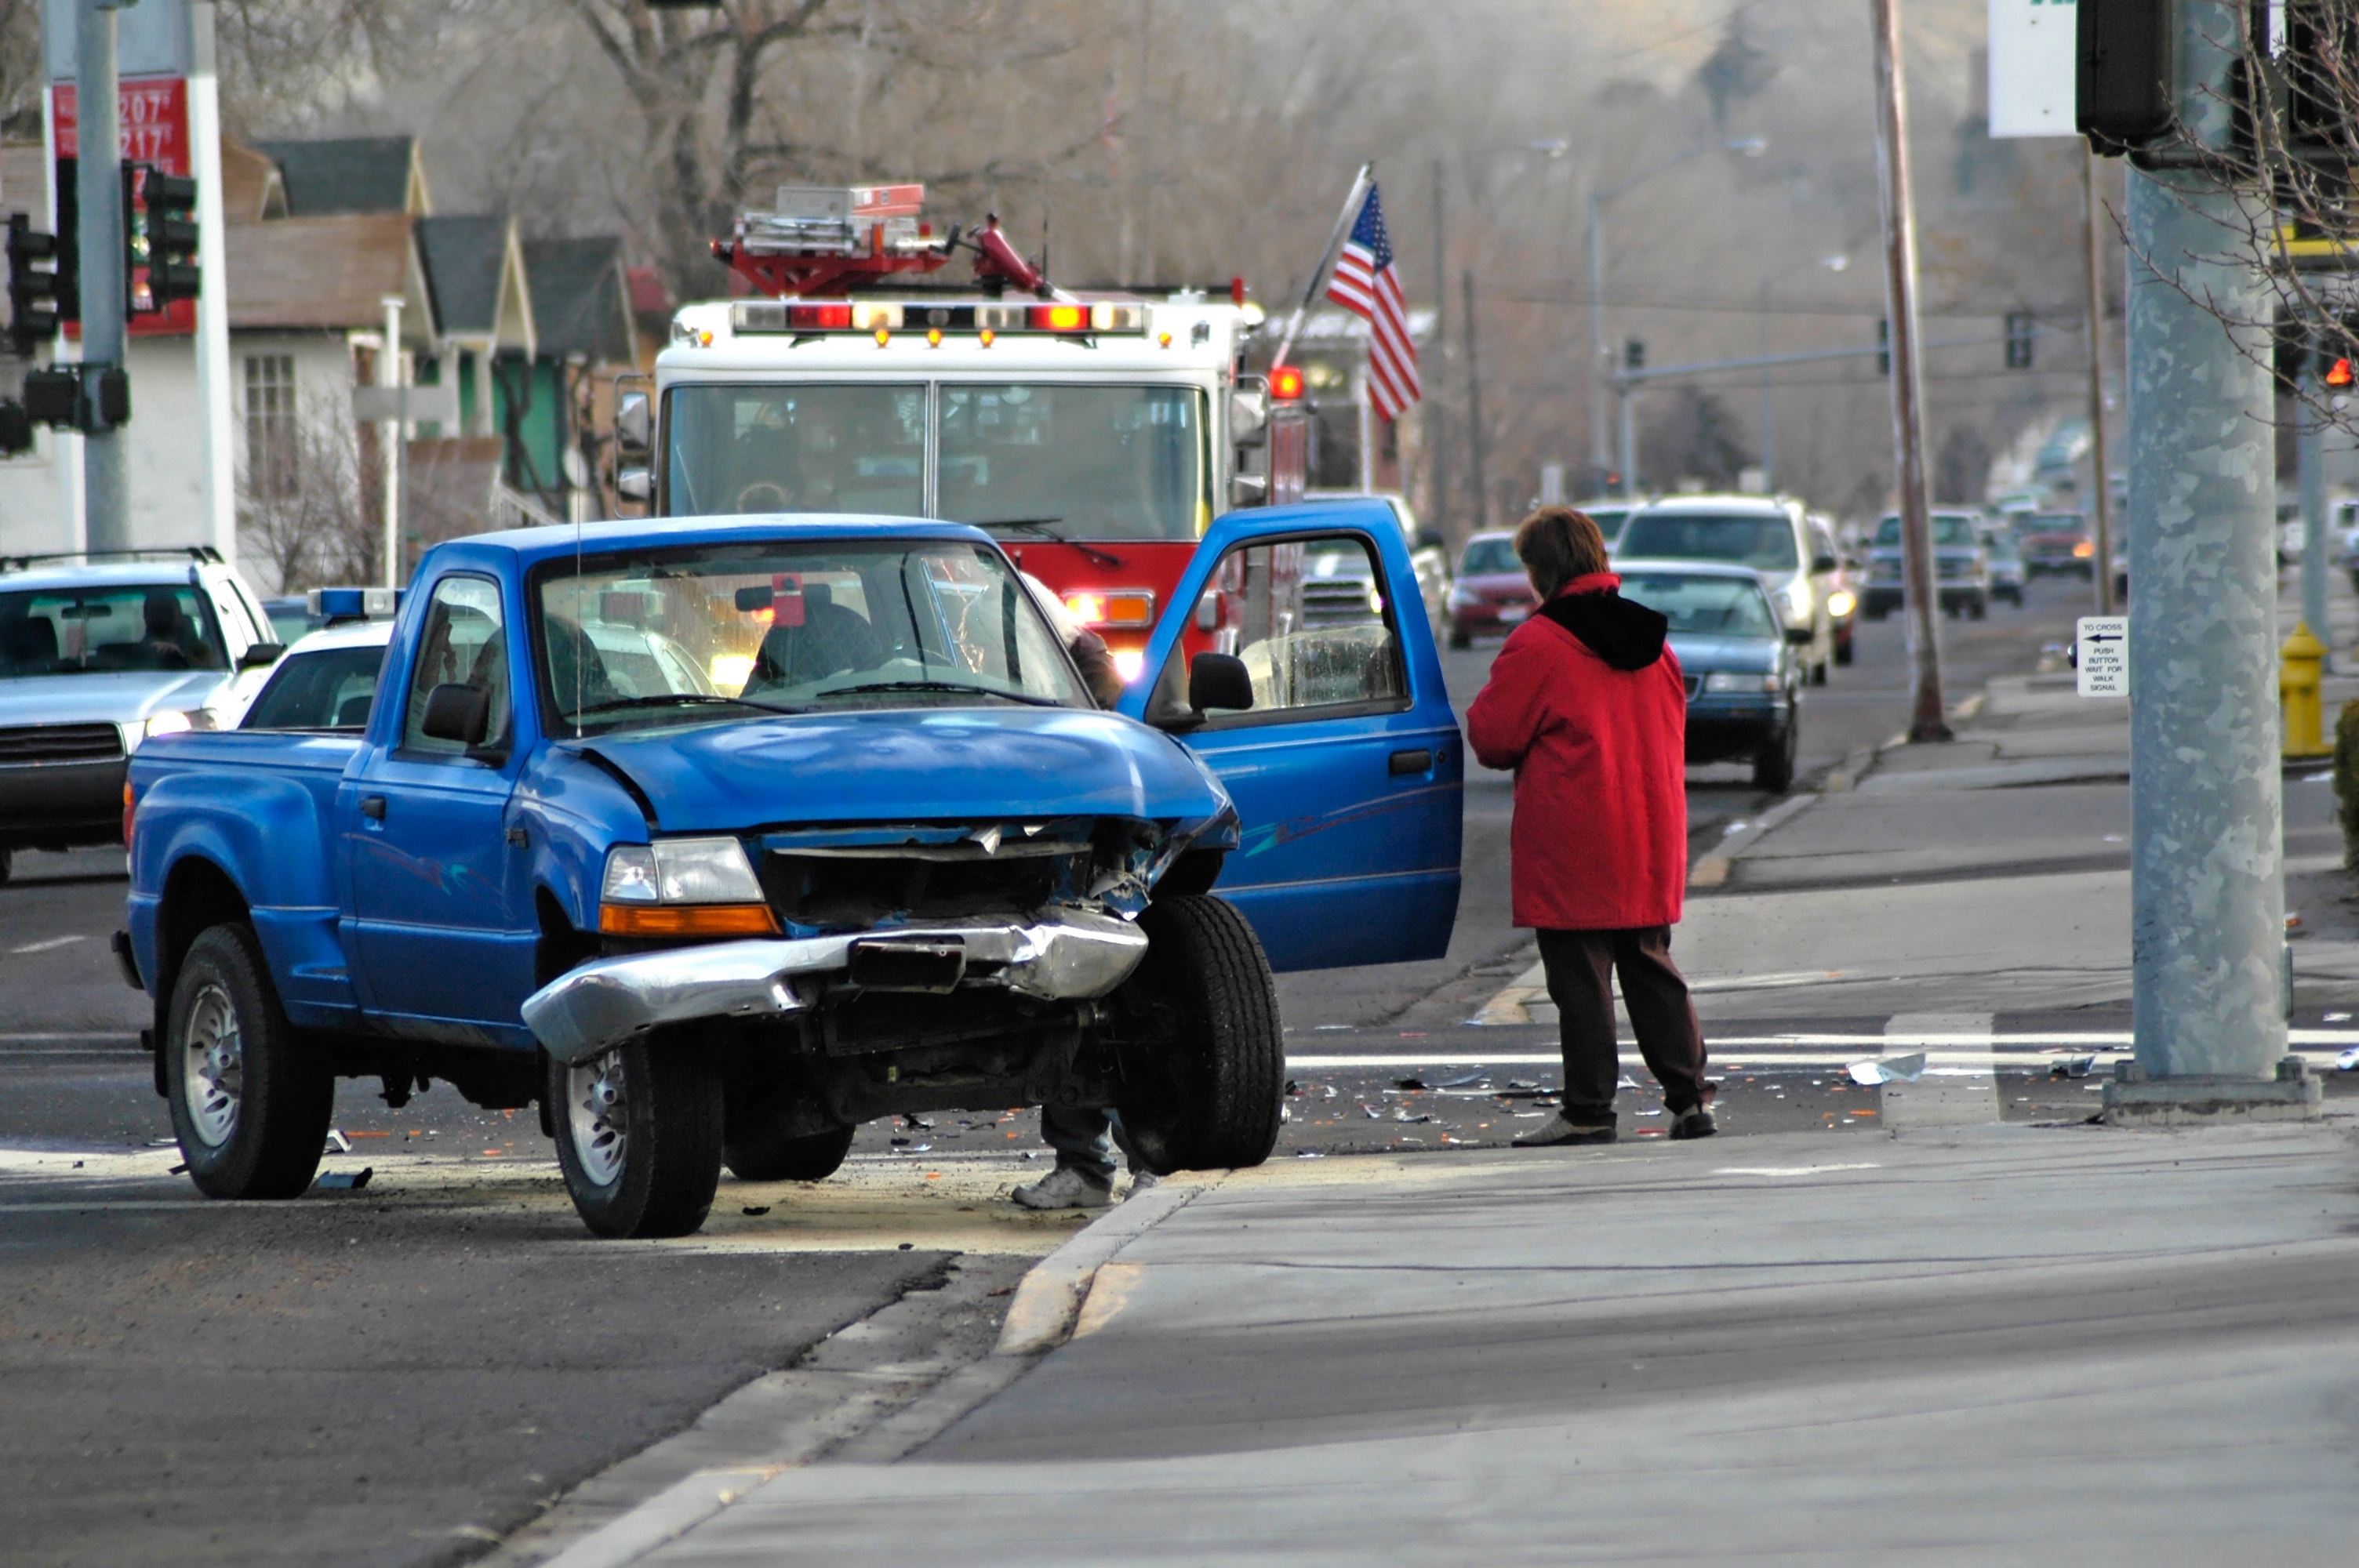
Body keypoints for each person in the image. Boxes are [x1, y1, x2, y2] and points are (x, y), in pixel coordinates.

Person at [1465, 506, 1714, 1145]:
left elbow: (1493, 738)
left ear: (1540, 572)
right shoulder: (1654, 644)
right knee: (1650, 966)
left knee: (1581, 980)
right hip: (1649, 829)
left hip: (1576, 833)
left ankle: (1588, 1110)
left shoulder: (1540, 644)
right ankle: (1689, 1100)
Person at [1009, 572, 1136, 1208]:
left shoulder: (1019, 594)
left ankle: (1134, 1158)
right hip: (1020, 828)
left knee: (1095, 996)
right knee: (1066, 1001)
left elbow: (1107, 682)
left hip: (1062, 826)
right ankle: (1085, 1165)